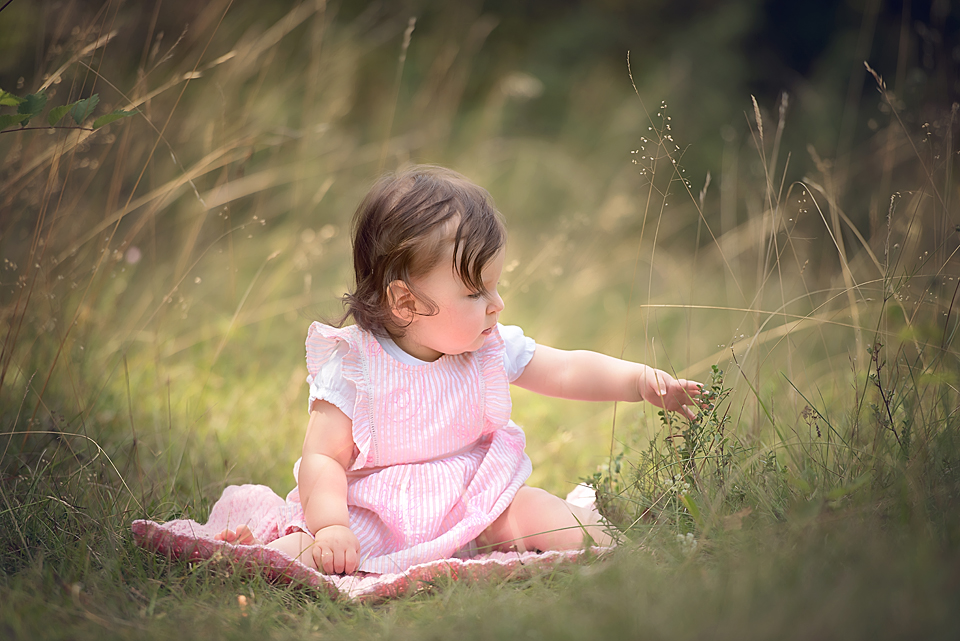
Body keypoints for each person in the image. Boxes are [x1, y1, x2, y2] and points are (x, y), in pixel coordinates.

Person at [216, 165, 702, 575]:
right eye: (475, 293)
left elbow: (566, 369)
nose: (497, 304)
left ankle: (628, 557)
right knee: (313, 553)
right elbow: (323, 458)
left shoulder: (487, 346)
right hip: (375, 517)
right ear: (405, 303)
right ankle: (247, 559)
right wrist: (330, 525)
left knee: (535, 509)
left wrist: (638, 382)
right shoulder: (357, 368)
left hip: (473, 505)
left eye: (495, 286)